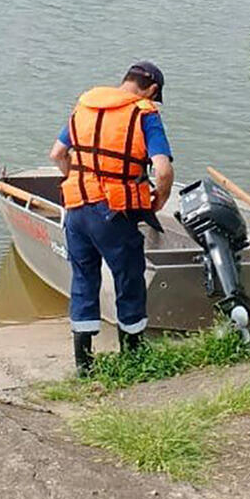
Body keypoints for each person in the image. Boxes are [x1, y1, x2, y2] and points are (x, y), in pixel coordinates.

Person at [49, 61, 174, 376]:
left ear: (125, 80)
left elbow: (57, 154)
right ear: (153, 90)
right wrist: (160, 197)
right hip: (113, 212)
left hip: (76, 208)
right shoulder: (145, 113)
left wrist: (77, 179)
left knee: (83, 279)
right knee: (129, 279)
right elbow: (162, 169)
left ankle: (84, 365)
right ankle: (132, 357)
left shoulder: (85, 106)